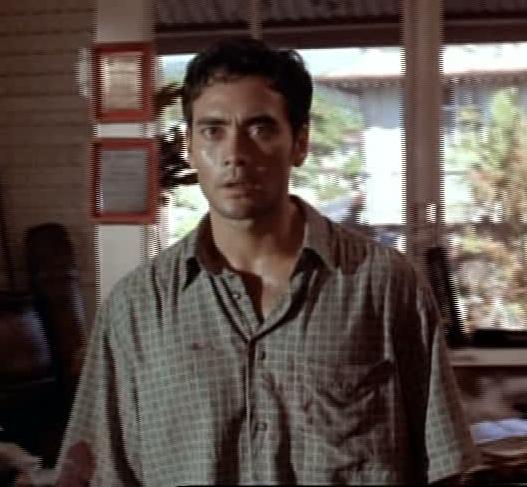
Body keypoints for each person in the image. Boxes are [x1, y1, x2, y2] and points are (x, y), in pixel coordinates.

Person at [55, 36, 480, 485]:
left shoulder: (385, 287)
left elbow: (443, 469)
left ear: (300, 142)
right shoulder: (138, 308)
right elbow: (97, 473)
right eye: (213, 130)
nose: (235, 154)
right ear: (190, 148)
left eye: (260, 129)